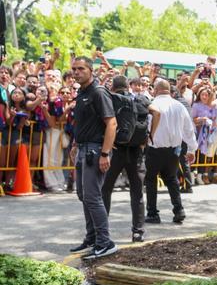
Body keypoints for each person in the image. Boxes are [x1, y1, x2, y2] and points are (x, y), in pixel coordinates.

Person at [68, 56, 118, 259]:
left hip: (96, 150)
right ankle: (92, 239)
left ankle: (105, 243)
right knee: (83, 195)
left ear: (91, 70)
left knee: (92, 197)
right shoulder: (82, 92)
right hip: (83, 149)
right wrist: (74, 144)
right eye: (74, 69)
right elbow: (82, 122)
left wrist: (105, 153)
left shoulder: (98, 92)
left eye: (81, 68)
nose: (76, 72)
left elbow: (112, 124)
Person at [144, 79, 197, 224]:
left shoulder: (153, 105)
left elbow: (147, 126)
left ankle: (152, 213)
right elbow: (188, 129)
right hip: (174, 150)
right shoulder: (179, 106)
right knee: (172, 179)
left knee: (151, 180)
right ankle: (179, 209)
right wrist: (192, 148)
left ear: (155, 90)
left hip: (155, 148)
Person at [101, 75, 146, 243]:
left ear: (112, 87)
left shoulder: (110, 100)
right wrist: (149, 138)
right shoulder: (139, 100)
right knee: (137, 192)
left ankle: (102, 229)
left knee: (105, 189)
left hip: (115, 150)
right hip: (135, 151)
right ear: (128, 86)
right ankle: (138, 231)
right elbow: (156, 112)